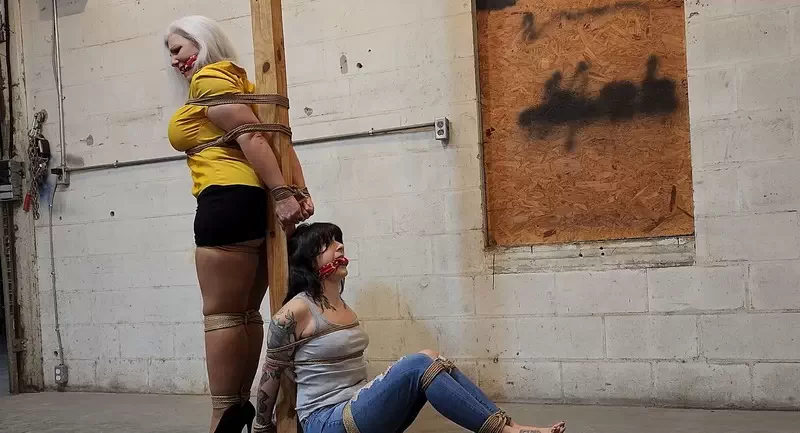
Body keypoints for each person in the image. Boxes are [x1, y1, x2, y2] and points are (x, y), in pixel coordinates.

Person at [254, 222, 568, 433]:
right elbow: (272, 372)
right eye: (328, 244)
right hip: (326, 421)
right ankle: (505, 432)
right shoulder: (294, 311)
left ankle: (509, 426)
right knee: (419, 363)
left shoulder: (341, 304)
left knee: (431, 357)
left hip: (356, 405)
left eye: (339, 240)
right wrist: (262, 426)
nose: (339, 246)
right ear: (310, 260)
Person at [164, 15, 314, 433]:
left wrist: (285, 193)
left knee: (222, 315)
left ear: (201, 42)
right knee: (246, 314)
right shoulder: (241, 82)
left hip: (225, 201)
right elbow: (277, 136)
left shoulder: (209, 79)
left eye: (177, 49)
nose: (174, 60)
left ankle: (222, 417)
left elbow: (252, 136)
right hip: (252, 203)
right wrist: (295, 189)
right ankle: (241, 408)